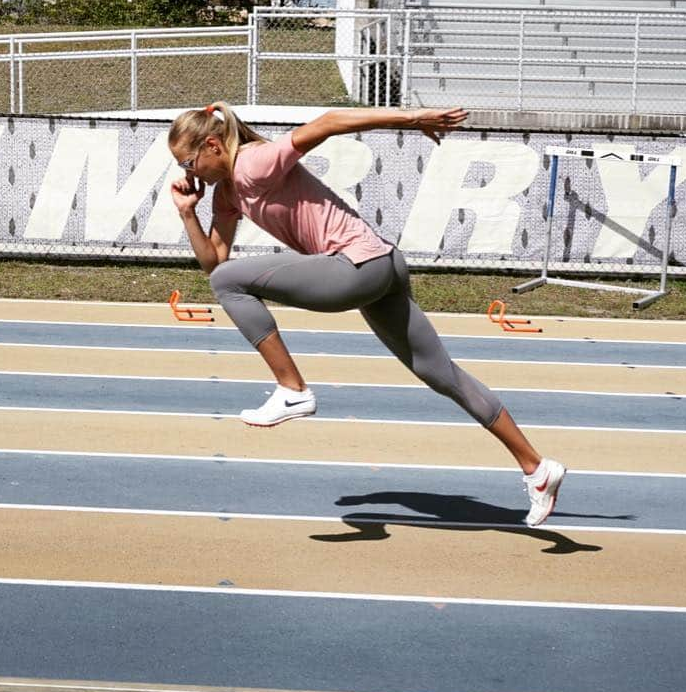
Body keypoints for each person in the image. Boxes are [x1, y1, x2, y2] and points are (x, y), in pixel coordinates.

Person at [168, 102, 566, 527]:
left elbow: (328, 123)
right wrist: (188, 212)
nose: (190, 173)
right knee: (441, 374)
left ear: (213, 145)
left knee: (230, 282)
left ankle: (293, 388)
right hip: (384, 265)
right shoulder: (229, 194)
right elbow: (215, 261)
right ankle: (537, 468)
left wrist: (412, 119)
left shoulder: (253, 164)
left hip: (356, 268)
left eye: (189, 162)